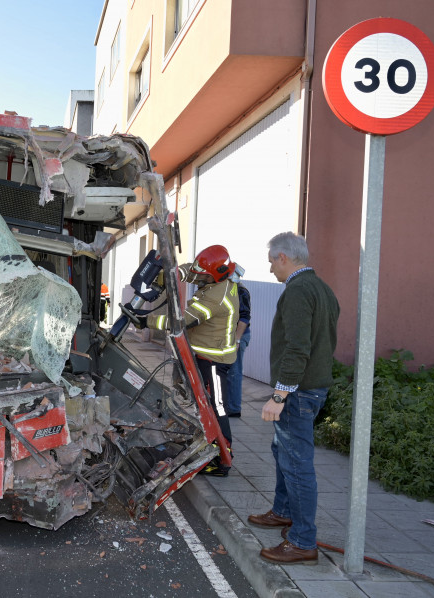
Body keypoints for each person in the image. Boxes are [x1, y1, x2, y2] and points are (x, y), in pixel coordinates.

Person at [249, 232, 339, 565]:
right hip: (313, 387)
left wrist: (279, 395)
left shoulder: (298, 291)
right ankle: (284, 512)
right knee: (282, 450)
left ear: (284, 257)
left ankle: (302, 540)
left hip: (298, 391)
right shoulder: (322, 288)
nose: (271, 268)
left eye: (272, 261)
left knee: (297, 463)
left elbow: (298, 347)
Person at [138, 244, 239, 476]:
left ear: (215, 275)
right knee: (205, 406)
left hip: (215, 360)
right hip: (204, 356)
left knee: (217, 408)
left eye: (203, 276)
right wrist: (172, 274)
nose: (198, 278)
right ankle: (210, 446)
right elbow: (192, 271)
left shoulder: (215, 298)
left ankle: (223, 458)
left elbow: (180, 322)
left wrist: (147, 321)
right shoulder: (216, 279)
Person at [225, 274, 251, 417]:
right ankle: (228, 405)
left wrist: (237, 340)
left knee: (234, 372)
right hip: (231, 335)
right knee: (228, 372)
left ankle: (234, 409)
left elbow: (244, 317)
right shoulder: (229, 289)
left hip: (238, 335)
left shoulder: (241, 291)